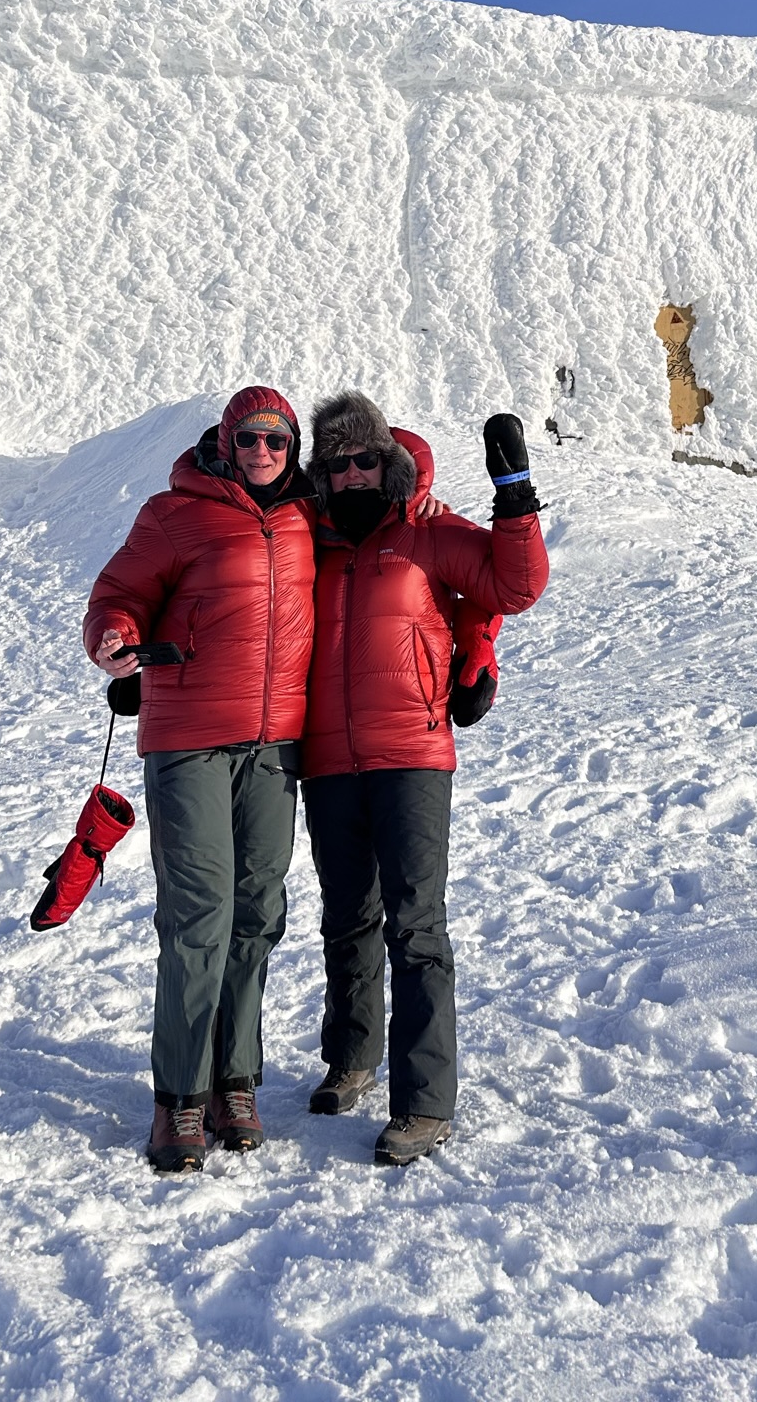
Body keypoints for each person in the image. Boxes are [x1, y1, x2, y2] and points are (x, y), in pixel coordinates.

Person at [300, 393, 549, 1165]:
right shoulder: (309, 540)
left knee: (414, 926)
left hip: (412, 751)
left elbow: (514, 587)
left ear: (387, 457)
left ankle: (425, 1101)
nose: (351, 474)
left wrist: (515, 496)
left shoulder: (427, 530)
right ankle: (353, 1057)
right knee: (345, 917)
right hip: (327, 757)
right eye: (335, 464)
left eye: (364, 458)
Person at [84, 386, 317, 1174]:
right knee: (198, 913)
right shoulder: (173, 512)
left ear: (294, 450)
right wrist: (116, 636)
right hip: (188, 740)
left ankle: (234, 1079)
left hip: (276, 744)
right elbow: (120, 594)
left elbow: (397, 477)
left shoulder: (305, 517)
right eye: (248, 440)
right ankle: (178, 1096)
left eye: (277, 442)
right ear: (225, 442)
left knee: (258, 910)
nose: (261, 453)